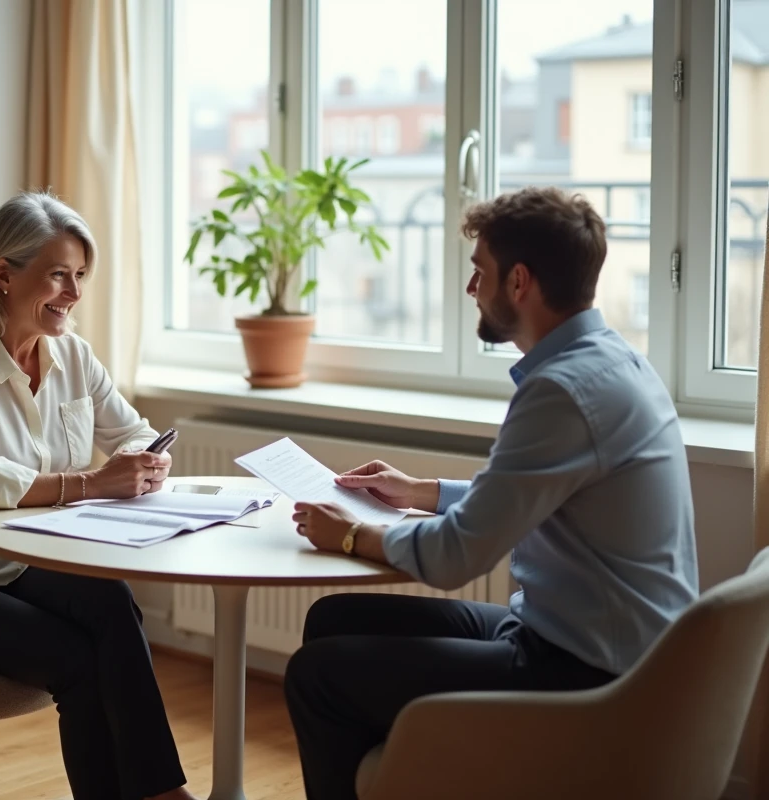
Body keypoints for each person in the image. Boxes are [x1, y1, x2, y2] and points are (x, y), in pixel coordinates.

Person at [284, 186, 699, 800]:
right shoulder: (612, 361)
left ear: (520, 281)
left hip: (587, 672)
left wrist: (350, 535)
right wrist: (420, 492)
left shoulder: (562, 390)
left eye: (481, 270)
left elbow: (458, 556)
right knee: (332, 618)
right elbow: (522, 497)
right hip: (585, 639)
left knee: (317, 677)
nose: (471, 287)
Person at [0, 191, 198, 800]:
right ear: (4, 274)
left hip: (20, 563)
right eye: (58, 275)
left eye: (80, 276)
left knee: (111, 599)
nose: (73, 293)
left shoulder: (72, 354)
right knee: (75, 659)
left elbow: (133, 432)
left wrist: (149, 459)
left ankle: (159, 792)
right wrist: (93, 482)